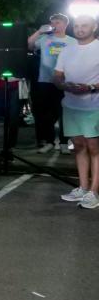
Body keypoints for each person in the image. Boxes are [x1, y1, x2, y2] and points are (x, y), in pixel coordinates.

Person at [54, 15, 99, 209]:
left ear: (94, 27)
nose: (80, 29)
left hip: (94, 106)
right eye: (78, 26)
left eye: (85, 25)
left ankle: (94, 192)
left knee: (94, 148)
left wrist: (90, 88)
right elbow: (56, 77)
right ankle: (83, 187)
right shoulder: (67, 49)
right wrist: (65, 85)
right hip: (70, 105)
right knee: (79, 146)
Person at [28, 13, 76, 154]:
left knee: (64, 113)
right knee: (46, 113)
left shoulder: (72, 41)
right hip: (45, 81)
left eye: (58, 22)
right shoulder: (44, 39)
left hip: (65, 82)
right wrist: (39, 31)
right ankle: (48, 142)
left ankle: (63, 142)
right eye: (53, 22)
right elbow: (29, 45)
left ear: (65, 24)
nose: (55, 25)